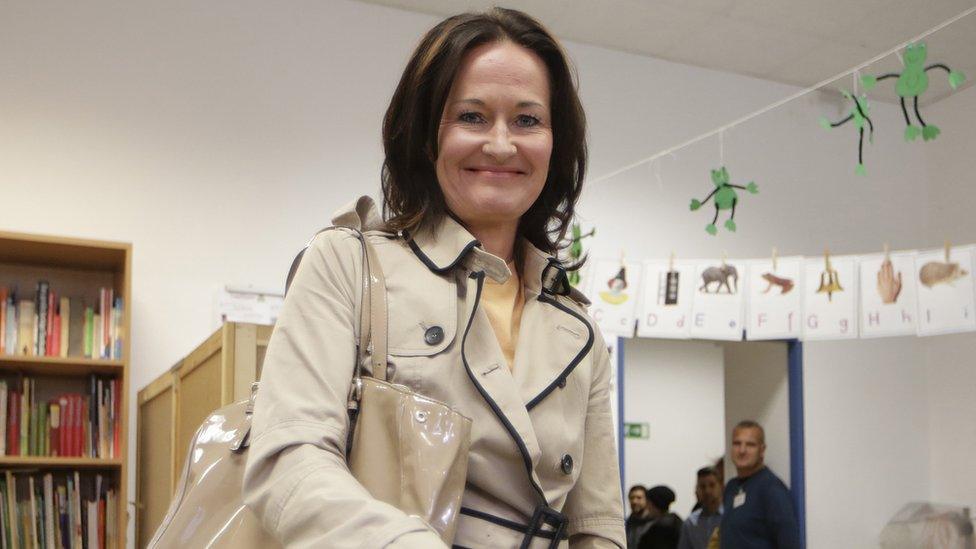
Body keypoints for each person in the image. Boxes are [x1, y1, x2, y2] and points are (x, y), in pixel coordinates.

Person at [242, 7, 626, 548]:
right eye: (471, 116)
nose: (500, 144)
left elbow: (599, 526)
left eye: (528, 120)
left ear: (555, 144)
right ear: (426, 135)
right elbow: (287, 461)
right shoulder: (347, 264)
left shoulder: (579, 330)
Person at [720, 421, 800, 549]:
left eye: (750, 445)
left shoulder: (771, 489)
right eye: (737, 443)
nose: (742, 450)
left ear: (762, 450)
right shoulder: (731, 487)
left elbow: (789, 542)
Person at [678, 468, 723, 549]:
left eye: (712, 485)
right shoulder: (690, 523)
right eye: (702, 486)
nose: (707, 491)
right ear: (697, 489)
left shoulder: (731, 517)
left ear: (721, 486)